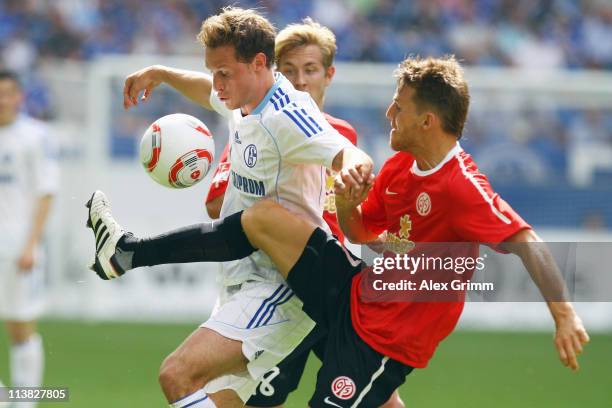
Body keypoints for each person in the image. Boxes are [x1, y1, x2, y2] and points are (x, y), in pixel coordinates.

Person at [87, 55, 589, 406]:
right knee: (264, 218)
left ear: (429, 120)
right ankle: (128, 253)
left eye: (400, 107)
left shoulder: (462, 186)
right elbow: (362, 232)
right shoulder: (397, 168)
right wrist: (348, 207)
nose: (389, 112)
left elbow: (525, 241)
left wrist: (563, 316)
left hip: (383, 343)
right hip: (353, 293)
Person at [105, 7, 372, 407]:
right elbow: (205, 90)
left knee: (178, 375)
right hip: (242, 278)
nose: (217, 83)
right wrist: (162, 73)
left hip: (281, 283)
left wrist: (355, 170)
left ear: (259, 63)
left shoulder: (290, 113)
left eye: (224, 72)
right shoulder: (244, 95)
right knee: (227, 401)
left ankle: (127, 253)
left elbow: (348, 152)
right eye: (213, 71)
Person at [203, 18, 404, 408]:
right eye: (289, 70)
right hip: (283, 282)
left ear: (329, 74)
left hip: (330, 282)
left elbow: (353, 214)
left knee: (380, 399)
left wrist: (388, 245)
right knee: (247, 400)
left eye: (310, 70)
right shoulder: (263, 123)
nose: (300, 80)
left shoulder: (341, 134)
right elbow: (215, 202)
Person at [0, 70, 58, 408]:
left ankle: (24, 402)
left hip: (18, 247)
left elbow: (46, 193)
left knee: (20, 326)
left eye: (8, 93)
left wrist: (31, 244)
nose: (2, 100)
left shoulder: (36, 137)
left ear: (19, 96)